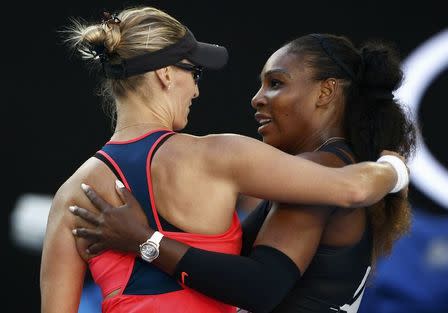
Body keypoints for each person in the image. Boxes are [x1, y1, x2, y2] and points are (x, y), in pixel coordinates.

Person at [40, 5, 409, 313]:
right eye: (194, 72)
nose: (197, 89)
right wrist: (394, 168)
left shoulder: (70, 195)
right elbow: (354, 187)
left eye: (275, 83)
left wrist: (145, 241)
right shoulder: (221, 155)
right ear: (167, 74)